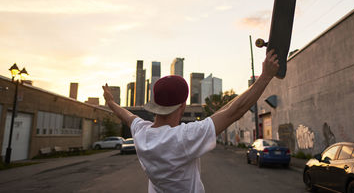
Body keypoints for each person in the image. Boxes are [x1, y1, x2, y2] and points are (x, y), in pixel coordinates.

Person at [102, 49, 279, 193]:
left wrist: (111, 103)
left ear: (154, 104)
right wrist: (265, 77)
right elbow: (235, 112)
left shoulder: (141, 132)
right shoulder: (183, 138)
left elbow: (126, 116)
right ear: (183, 105)